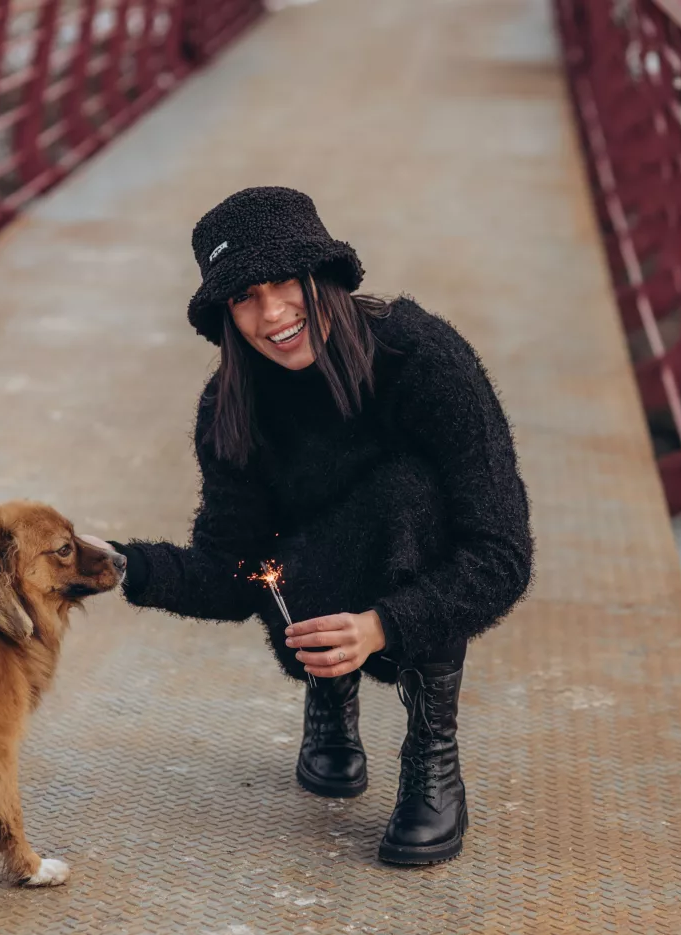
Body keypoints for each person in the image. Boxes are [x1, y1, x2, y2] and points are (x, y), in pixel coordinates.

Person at [100, 186, 533, 865]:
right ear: (225, 314)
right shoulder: (229, 406)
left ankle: (433, 750)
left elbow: (501, 554)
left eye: (283, 283)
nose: (271, 313)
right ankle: (329, 697)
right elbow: (232, 571)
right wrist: (124, 564)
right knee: (284, 539)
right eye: (244, 296)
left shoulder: (422, 359)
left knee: (409, 492)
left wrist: (381, 626)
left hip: (410, 562)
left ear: (323, 276)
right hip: (307, 589)